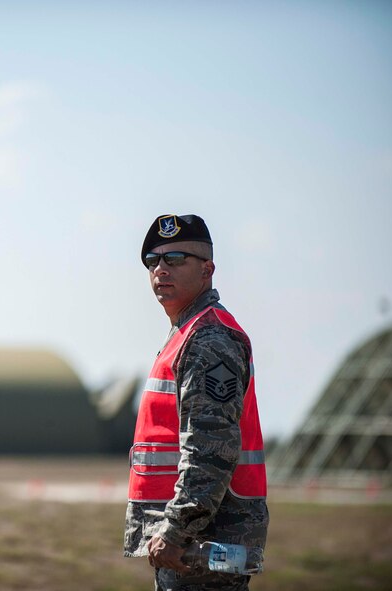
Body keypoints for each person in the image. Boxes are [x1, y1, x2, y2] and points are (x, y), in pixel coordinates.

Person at [124, 214, 269, 591]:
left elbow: (210, 450)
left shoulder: (208, 339)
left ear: (207, 270)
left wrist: (176, 530)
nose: (160, 269)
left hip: (202, 546)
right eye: (152, 261)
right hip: (192, 547)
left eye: (175, 259)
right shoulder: (187, 333)